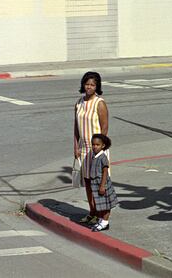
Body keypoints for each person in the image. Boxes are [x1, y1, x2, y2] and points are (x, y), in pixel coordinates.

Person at [73, 71, 109, 226]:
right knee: (87, 182)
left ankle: (103, 216)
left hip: (96, 149)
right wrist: (76, 146)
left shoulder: (99, 103)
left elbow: (105, 128)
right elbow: (76, 127)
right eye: (87, 84)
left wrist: (98, 150)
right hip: (84, 149)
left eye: (92, 85)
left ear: (97, 87)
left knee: (99, 183)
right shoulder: (79, 102)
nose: (89, 87)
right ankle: (92, 212)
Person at [87, 134, 118, 232]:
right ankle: (101, 220)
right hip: (95, 184)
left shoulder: (103, 157)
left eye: (97, 145)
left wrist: (102, 185)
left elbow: (105, 171)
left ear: (103, 146)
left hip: (101, 184)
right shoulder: (94, 156)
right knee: (100, 204)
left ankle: (105, 221)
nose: (95, 147)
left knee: (106, 204)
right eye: (93, 144)